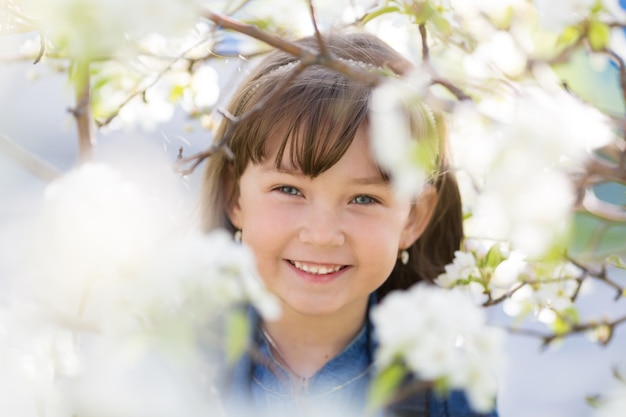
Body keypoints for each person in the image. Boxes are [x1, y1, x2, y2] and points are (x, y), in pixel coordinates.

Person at [200, 30, 498, 417]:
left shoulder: (446, 388)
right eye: (289, 190)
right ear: (234, 195)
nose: (322, 235)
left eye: (363, 199)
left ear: (414, 216)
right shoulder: (178, 366)